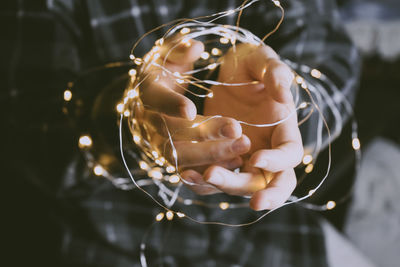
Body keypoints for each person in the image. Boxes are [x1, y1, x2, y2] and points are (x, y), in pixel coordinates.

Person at [3, 0, 365, 266]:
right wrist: (133, 124)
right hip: (108, 243)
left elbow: (331, 52)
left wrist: (288, 105)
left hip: (271, 237)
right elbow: (33, 134)